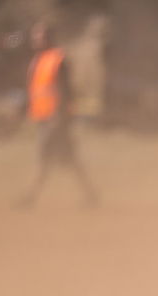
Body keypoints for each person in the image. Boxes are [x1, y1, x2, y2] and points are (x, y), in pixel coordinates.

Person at [15, 22, 98, 209]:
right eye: (35, 36)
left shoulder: (58, 60)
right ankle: (91, 194)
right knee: (70, 159)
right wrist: (24, 109)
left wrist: (59, 119)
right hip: (43, 117)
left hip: (55, 119)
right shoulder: (38, 60)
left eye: (40, 36)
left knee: (43, 158)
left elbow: (66, 91)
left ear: (49, 37)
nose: (35, 40)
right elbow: (35, 90)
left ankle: (29, 196)